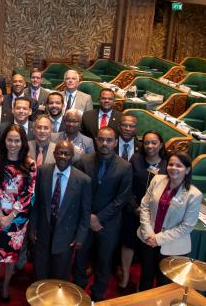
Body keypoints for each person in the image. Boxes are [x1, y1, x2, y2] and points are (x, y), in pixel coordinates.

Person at [72, 126, 132, 301]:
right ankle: (78, 292)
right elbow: (78, 190)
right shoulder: (84, 160)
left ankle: (97, 295)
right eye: (101, 139)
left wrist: (99, 218)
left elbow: (122, 199)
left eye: (109, 140)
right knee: (80, 259)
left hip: (109, 224)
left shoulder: (125, 166)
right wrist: (89, 216)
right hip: (85, 220)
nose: (104, 143)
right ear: (96, 141)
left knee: (105, 261)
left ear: (115, 142)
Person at [0, 124, 37, 302]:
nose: (13, 144)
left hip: (17, 219)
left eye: (17, 140)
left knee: (11, 254)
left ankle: (6, 285)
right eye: (10, 140)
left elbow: (29, 193)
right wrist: (0, 216)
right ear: (4, 141)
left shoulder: (30, 164)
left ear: (23, 142)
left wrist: (11, 216)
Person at [137, 151, 201, 291]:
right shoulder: (157, 180)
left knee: (164, 283)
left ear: (187, 170)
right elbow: (145, 205)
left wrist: (158, 239)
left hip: (172, 245)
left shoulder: (194, 194)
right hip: (148, 238)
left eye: (179, 165)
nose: (173, 168)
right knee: (145, 277)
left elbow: (187, 226)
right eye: (171, 164)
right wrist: (148, 233)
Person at [30, 140, 91, 281]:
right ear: (54, 154)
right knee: (40, 272)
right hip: (43, 231)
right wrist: (32, 227)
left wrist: (80, 237)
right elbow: (36, 202)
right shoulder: (42, 171)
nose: (63, 156)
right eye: (60, 153)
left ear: (73, 156)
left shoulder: (83, 180)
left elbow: (85, 212)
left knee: (60, 274)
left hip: (66, 234)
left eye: (67, 154)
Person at [119, 131, 168, 293]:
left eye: (154, 143)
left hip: (154, 214)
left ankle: (144, 281)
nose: (150, 146)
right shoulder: (136, 160)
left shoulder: (167, 165)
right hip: (133, 208)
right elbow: (128, 185)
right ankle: (126, 275)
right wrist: (135, 208)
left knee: (148, 249)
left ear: (160, 144)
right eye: (146, 143)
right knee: (129, 242)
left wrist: (147, 212)